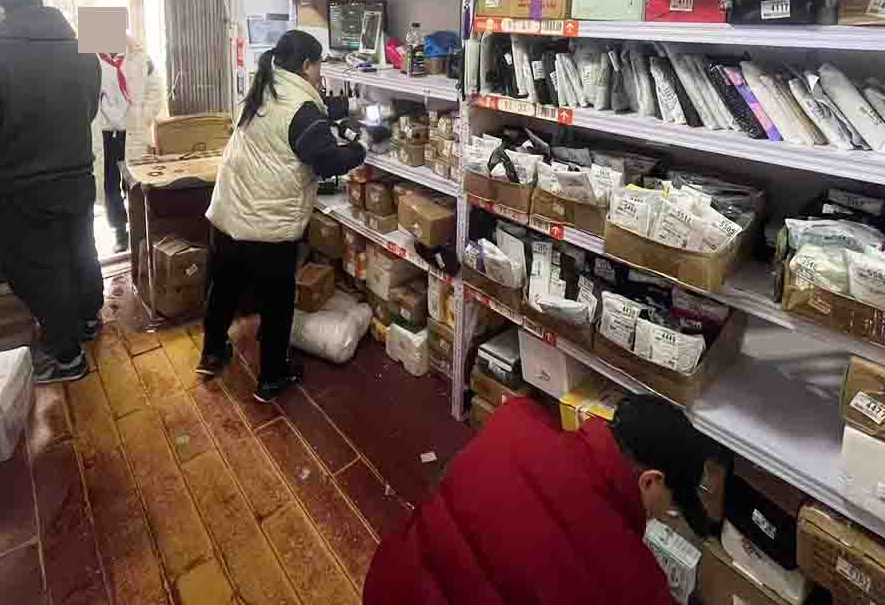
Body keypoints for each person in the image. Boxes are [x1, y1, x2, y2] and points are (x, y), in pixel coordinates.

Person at [363, 393, 711, 605]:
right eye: (670, 506)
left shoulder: (515, 419)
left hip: (388, 585)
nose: (663, 515)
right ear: (651, 481)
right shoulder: (636, 585)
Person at [0, 0, 103, 384]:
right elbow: (88, 111)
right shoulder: (83, 51)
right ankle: (90, 319)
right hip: (77, 176)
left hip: (21, 185)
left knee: (39, 269)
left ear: (0, 10)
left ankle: (67, 357)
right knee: (80, 250)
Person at [199, 30, 366, 400]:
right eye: (319, 65)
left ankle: (211, 353)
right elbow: (326, 162)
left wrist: (347, 108)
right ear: (306, 66)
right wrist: (361, 148)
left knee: (223, 287)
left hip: (228, 210)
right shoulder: (301, 111)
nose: (320, 73)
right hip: (267, 223)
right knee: (276, 301)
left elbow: (304, 115)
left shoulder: (264, 86)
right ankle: (273, 377)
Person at [97, 36, 162, 253]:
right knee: (109, 185)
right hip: (105, 133)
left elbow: (155, 89)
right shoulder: (90, 59)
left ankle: (139, 229)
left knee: (134, 183)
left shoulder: (140, 57)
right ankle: (119, 232)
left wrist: (143, 117)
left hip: (131, 131)